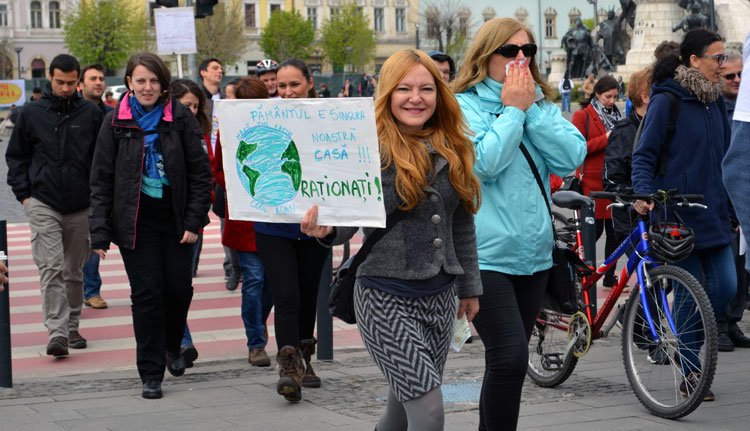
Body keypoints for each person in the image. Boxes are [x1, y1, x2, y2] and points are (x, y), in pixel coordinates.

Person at [302, 48, 481, 430]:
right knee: (429, 411)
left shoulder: (454, 145)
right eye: (404, 89)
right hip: (384, 296)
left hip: (440, 296)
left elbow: (461, 223)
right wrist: (327, 229)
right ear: (387, 93)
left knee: (400, 409)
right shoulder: (365, 147)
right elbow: (348, 217)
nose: (416, 98)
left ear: (439, 94)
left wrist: (469, 287)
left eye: (426, 89)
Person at [453, 17, 586, 430]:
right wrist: (512, 111)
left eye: (528, 50)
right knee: (510, 357)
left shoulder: (538, 104)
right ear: (485, 56)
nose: (521, 58)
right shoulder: (462, 105)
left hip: (534, 254)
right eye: (509, 51)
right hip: (486, 256)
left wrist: (529, 109)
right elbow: (483, 166)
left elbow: (571, 157)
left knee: (505, 364)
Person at [89, 52, 211, 399]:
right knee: (146, 295)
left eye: (154, 81)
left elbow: (200, 173)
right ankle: (150, 372)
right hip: (135, 222)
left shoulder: (180, 118)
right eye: (140, 80)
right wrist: (100, 231)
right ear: (129, 82)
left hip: (176, 220)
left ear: (163, 84)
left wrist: (194, 220)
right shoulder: (115, 122)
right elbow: (101, 178)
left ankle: (172, 344)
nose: (147, 87)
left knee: (179, 290)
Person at [632, 28, 735, 401]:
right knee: (691, 295)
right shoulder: (667, 100)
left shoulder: (715, 101)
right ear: (694, 60)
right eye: (717, 58)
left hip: (715, 213)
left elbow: (727, 156)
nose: (722, 65)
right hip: (677, 215)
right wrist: (643, 192)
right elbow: (644, 154)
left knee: (726, 286)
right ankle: (691, 371)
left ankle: (690, 339)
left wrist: (734, 202)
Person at [6, 54, 104, 358]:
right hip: (42, 201)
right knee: (50, 268)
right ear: (50, 77)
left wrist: (99, 200)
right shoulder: (31, 113)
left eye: (71, 83)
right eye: (60, 82)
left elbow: (101, 159)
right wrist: (24, 196)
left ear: (78, 81)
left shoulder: (90, 113)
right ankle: (57, 332)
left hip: (80, 204)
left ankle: (72, 326)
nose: (65, 88)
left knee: (73, 271)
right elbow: (16, 156)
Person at [252, 58, 325, 403]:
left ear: (310, 83)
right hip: (273, 226)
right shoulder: (263, 117)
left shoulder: (329, 118)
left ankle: (306, 360)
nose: (287, 92)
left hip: (315, 226)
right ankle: (288, 368)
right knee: (286, 295)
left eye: (294, 84)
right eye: (281, 86)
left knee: (308, 295)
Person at [213, 77, 274, 367]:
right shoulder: (228, 128)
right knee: (254, 279)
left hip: (276, 218)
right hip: (245, 218)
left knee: (271, 283)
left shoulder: (277, 123)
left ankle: (258, 323)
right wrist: (240, 186)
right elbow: (217, 168)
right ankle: (256, 342)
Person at [169, 78, 213, 368]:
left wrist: (196, 216)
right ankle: (180, 342)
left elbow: (205, 177)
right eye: (187, 106)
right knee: (164, 285)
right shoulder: (162, 131)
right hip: (164, 217)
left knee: (181, 285)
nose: (193, 112)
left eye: (197, 107)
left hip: (192, 218)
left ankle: (177, 340)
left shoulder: (201, 133)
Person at [572, 75, 622, 288]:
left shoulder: (618, 115)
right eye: (608, 96)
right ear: (597, 94)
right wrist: (606, 139)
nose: (612, 101)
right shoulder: (583, 115)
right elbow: (577, 148)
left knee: (615, 232)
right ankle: (579, 272)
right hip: (591, 182)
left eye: (615, 97)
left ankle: (609, 276)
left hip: (613, 180)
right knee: (594, 231)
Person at [718, 49, 750, 351]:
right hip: (722, 203)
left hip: (741, 203)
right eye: (730, 76)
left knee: (740, 270)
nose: (738, 79)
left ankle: (732, 322)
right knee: (724, 272)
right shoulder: (716, 109)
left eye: (741, 74)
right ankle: (717, 325)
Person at [199, 57, 240, 291]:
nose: (220, 71)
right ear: (203, 72)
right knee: (200, 214)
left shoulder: (226, 98)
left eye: (221, 68)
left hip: (225, 164)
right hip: (206, 163)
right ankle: (192, 261)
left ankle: (232, 266)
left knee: (227, 216)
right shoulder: (198, 98)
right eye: (214, 68)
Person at [603, 66, 653, 241]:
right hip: (632, 221)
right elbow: (611, 181)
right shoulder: (622, 132)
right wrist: (635, 200)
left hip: (661, 220)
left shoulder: (665, 127)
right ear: (645, 97)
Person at [78, 64, 113, 311]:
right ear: (81, 84)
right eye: (93, 79)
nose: (98, 82)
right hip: (76, 184)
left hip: (101, 185)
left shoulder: (111, 113)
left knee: (94, 237)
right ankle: (76, 288)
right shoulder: (74, 112)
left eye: (101, 78)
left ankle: (91, 290)